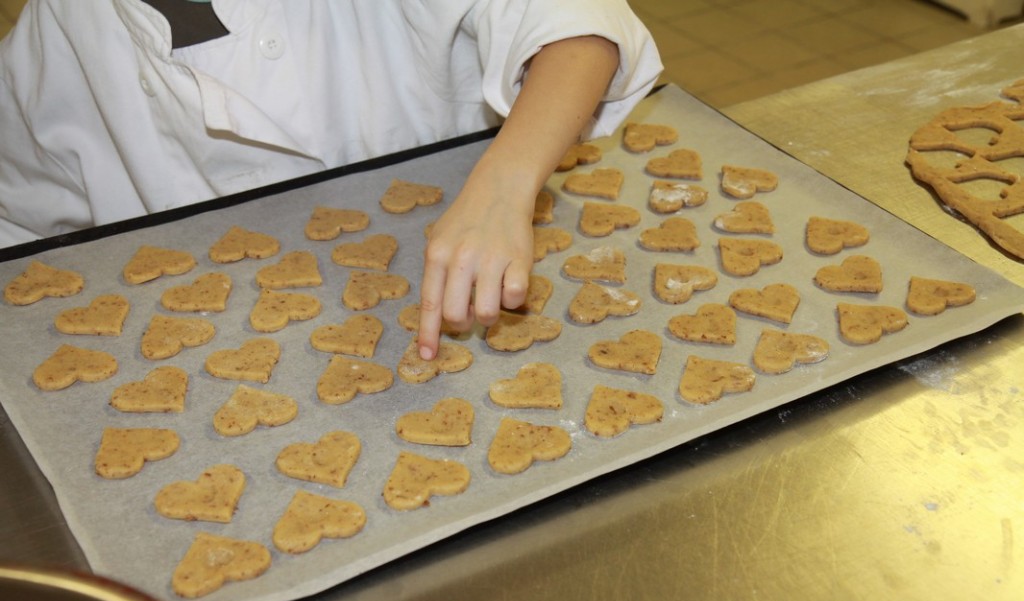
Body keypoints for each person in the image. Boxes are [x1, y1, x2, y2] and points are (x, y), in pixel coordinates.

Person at [0, 0, 663, 358]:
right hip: (210, 354)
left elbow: (580, 30)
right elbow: (15, 210)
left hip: (461, 299)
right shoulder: (62, 32)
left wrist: (503, 187)